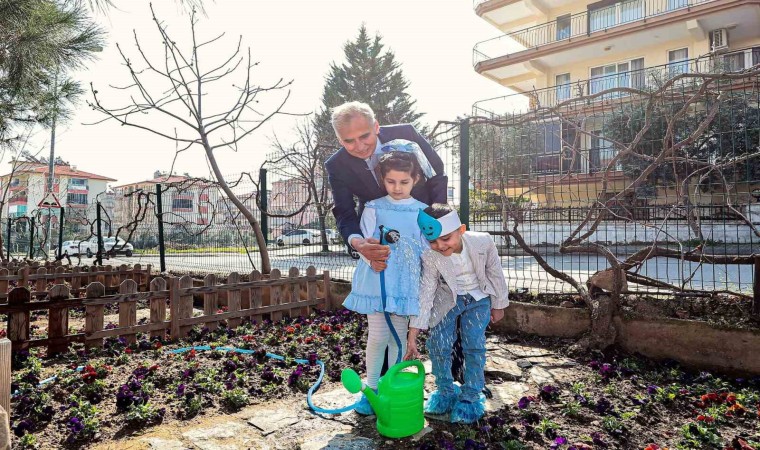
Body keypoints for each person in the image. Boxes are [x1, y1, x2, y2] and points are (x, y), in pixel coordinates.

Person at [325, 101, 466, 383]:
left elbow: (436, 171)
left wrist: (436, 221)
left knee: (448, 293)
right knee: (392, 311)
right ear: (339, 140)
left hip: (424, 224)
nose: (360, 145)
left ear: (376, 127)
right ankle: (389, 380)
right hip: (388, 242)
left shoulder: (406, 134)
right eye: (348, 141)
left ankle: (456, 372)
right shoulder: (337, 165)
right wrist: (358, 242)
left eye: (364, 136)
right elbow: (343, 210)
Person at [341, 150, 429, 415]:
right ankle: (372, 390)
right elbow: (366, 243)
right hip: (379, 279)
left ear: (415, 178)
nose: (397, 187)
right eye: (391, 181)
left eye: (404, 182)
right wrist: (373, 262)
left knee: (398, 340)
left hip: (405, 283)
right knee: (378, 337)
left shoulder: (422, 211)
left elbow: (426, 249)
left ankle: (391, 387)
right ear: (383, 179)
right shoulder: (374, 207)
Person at [405, 203, 510, 424]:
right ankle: (445, 390)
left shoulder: (483, 241)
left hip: (479, 299)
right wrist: (413, 332)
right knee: (438, 344)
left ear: (461, 230)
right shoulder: (430, 256)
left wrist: (499, 304)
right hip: (447, 301)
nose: (440, 246)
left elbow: (495, 272)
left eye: (446, 239)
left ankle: (471, 396)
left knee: (474, 344)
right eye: (433, 241)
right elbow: (426, 291)